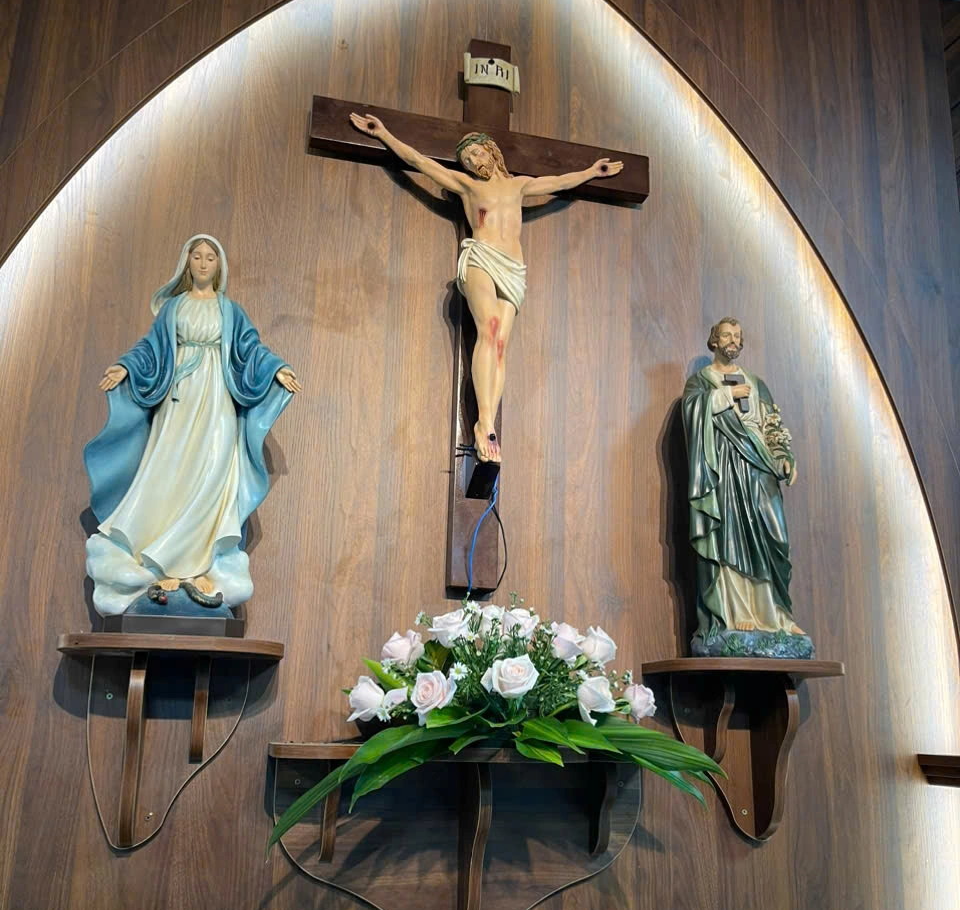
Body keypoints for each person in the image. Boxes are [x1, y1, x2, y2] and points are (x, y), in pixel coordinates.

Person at [349, 113, 623, 464]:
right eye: (467, 160)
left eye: (477, 153)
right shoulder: (467, 186)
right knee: (489, 331)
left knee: (501, 346)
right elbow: (419, 161)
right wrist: (384, 134)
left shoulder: (518, 185)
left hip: (514, 270)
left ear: (491, 151)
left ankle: (487, 421)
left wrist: (591, 172)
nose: (473, 162)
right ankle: (485, 422)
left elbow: (558, 182)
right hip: (481, 259)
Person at [84, 234, 301, 615]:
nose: (202, 263)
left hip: (216, 398)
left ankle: (198, 562)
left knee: (213, 471)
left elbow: (251, 349)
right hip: (178, 399)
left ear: (219, 266)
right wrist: (126, 366)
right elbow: (150, 348)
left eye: (210, 258)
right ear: (187, 262)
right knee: (169, 469)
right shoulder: (174, 308)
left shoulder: (229, 310)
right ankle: (157, 557)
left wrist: (276, 369)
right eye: (197, 257)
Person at [681, 317, 813, 657]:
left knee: (773, 536)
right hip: (725, 471)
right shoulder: (701, 381)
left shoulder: (757, 383)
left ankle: (777, 616)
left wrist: (783, 457)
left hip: (759, 469)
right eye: (726, 335)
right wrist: (726, 395)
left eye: (737, 336)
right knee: (731, 536)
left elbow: (772, 426)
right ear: (714, 340)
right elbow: (691, 413)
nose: (733, 340)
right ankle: (735, 611)